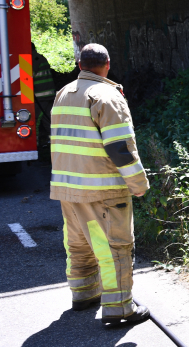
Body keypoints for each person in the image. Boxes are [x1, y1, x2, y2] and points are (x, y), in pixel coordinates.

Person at [50, 43, 151, 325]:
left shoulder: (64, 93)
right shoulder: (107, 96)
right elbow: (120, 148)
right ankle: (120, 309)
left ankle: (83, 294)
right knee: (114, 248)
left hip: (68, 187)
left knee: (79, 244)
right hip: (102, 190)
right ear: (107, 64)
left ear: (80, 65)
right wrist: (137, 183)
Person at [31, 42, 56, 156]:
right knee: (49, 121)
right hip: (47, 95)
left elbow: (27, 76)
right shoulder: (40, 57)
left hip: (41, 96)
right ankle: (56, 144)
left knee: (35, 121)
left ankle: (34, 147)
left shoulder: (32, 59)